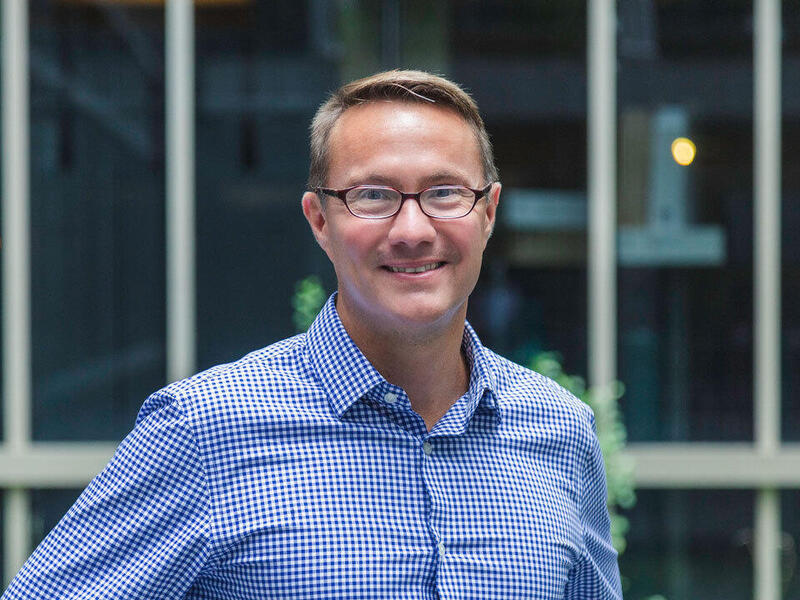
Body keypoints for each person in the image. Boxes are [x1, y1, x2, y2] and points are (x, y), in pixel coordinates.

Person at [2, 70, 622, 599]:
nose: (412, 229)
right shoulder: (205, 431)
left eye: (444, 192)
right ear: (319, 220)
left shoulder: (560, 432)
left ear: (487, 214)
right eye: (372, 195)